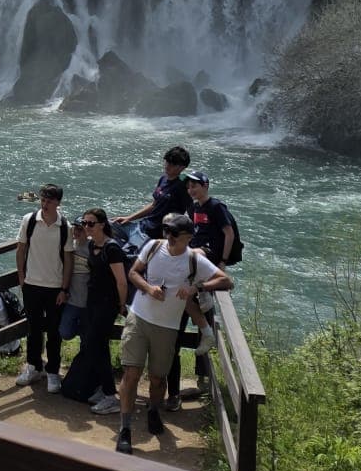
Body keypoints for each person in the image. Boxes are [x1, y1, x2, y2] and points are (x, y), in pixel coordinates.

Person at [116, 215, 229, 455]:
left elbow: (226, 280)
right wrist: (148, 288)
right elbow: (134, 273)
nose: (169, 237)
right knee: (131, 373)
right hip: (139, 317)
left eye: (175, 234)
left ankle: (153, 411)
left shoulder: (193, 260)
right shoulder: (153, 246)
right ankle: (125, 430)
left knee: (158, 378)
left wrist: (197, 287)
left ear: (187, 237)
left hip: (167, 327)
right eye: (168, 232)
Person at [168, 168, 236, 405]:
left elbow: (228, 233)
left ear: (205, 185)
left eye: (195, 185)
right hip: (197, 257)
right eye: (188, 187)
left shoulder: (216, 207)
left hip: (208, 253)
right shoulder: (193, 208)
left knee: (190, 257)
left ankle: (203, 382)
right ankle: (202, 293)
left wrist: (223, 262)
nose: (191, 189)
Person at [59, 211, 126, 413]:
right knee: (96, 346)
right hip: (92, 302)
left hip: (107, 304)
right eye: (85, 223)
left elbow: (121, 281)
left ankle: (109, 395)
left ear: (102, 224)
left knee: (98, 346)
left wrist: (121, 306)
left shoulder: (111, 248)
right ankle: (103, 389)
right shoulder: (91, 245)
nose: (86, 227)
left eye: (91, 223)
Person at [14, 183, 72, 392]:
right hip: (32, 284)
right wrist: (22, 278)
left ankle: (53, 372)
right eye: (42, 200)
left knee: (55, 332)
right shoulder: (29, 221)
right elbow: (20, 250)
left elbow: (68, 259)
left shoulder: (65, 227)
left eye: (49, 201)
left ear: (58, 202)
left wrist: (64, 289)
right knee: (33, 329)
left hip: (55, 287)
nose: (45, 204)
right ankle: (34, 366)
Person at [117, 146, 190, 231]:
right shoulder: (163, 179)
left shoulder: (184, 186)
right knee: (111, 225)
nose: (167, 165)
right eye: (167, 161)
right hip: (146, 224)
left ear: (182, 167)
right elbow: (154, 205)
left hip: (160, 230)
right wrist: (129, 218)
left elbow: (191, 209)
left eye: (172, 164)